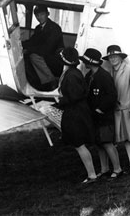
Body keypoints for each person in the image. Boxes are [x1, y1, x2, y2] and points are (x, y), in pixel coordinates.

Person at [80, 48, 123, 179]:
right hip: (94, 116)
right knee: (99, 143)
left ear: (91, 62)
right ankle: (105, 169)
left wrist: (100, 109)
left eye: (86, 61)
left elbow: (112, 95)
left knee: (107, 142)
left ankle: (117, 168)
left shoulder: (104, 76)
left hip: (104, 116)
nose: (84, 64)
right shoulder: (89, 76)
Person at [57, 47, 96, 184]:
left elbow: (75, 96)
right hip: (76, 112)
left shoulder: (71, 75)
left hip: (76, 113)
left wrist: (60, 102)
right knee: (79, 144)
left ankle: (92, 175)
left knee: (79, 144)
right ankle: (92, 173)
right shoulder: (73, 72)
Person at [103, 45, 130, 175]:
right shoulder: (110, 72)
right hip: (118, 111)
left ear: (121, 57)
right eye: (111, 57)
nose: (113, 59)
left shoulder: (129, 70)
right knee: (125, 138)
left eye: (116, 56)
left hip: (129, 109)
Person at [22, 5, 64, 91]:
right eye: (37, 15)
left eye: (42, 14)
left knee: (33, 56)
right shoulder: (38, 28)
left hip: (55, 58)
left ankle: (51, 81)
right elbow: (32, 41)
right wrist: (20, 44)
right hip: (45, 55)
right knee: (27, 56)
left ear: (47, 14)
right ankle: (36, 83)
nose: (39, 17)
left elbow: (48, 48)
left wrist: (29, 50)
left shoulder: (54, 28)